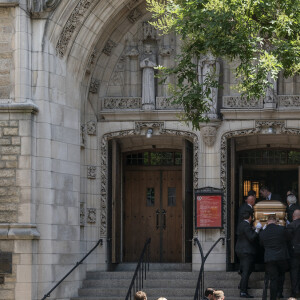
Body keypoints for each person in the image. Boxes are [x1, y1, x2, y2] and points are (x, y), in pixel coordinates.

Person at [259, 215, 289, 300]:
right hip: (281, 256)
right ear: (275, 221)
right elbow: (287, 238)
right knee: (282, 275)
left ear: (267, 222)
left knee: (273, 279)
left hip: (270, 258)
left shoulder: (263, 232)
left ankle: (273, 297)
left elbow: (261, 244)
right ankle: (280, 293)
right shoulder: (281, 229)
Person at [235, 211, 262, 298]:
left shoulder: (242, 224)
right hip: (246, 251)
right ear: (250, 217)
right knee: (246, 271)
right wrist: (257, 230)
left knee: (248, 269)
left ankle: (242, 285)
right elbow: (251, 237)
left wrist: (253, 229)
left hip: (241, 250)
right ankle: (243, 291)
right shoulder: (246, 225)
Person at [286, 209, 300, 297]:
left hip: (294, 252)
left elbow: (287, 239)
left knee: (294, 272)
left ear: (293, 216)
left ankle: (295, 291)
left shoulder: (291, 225)